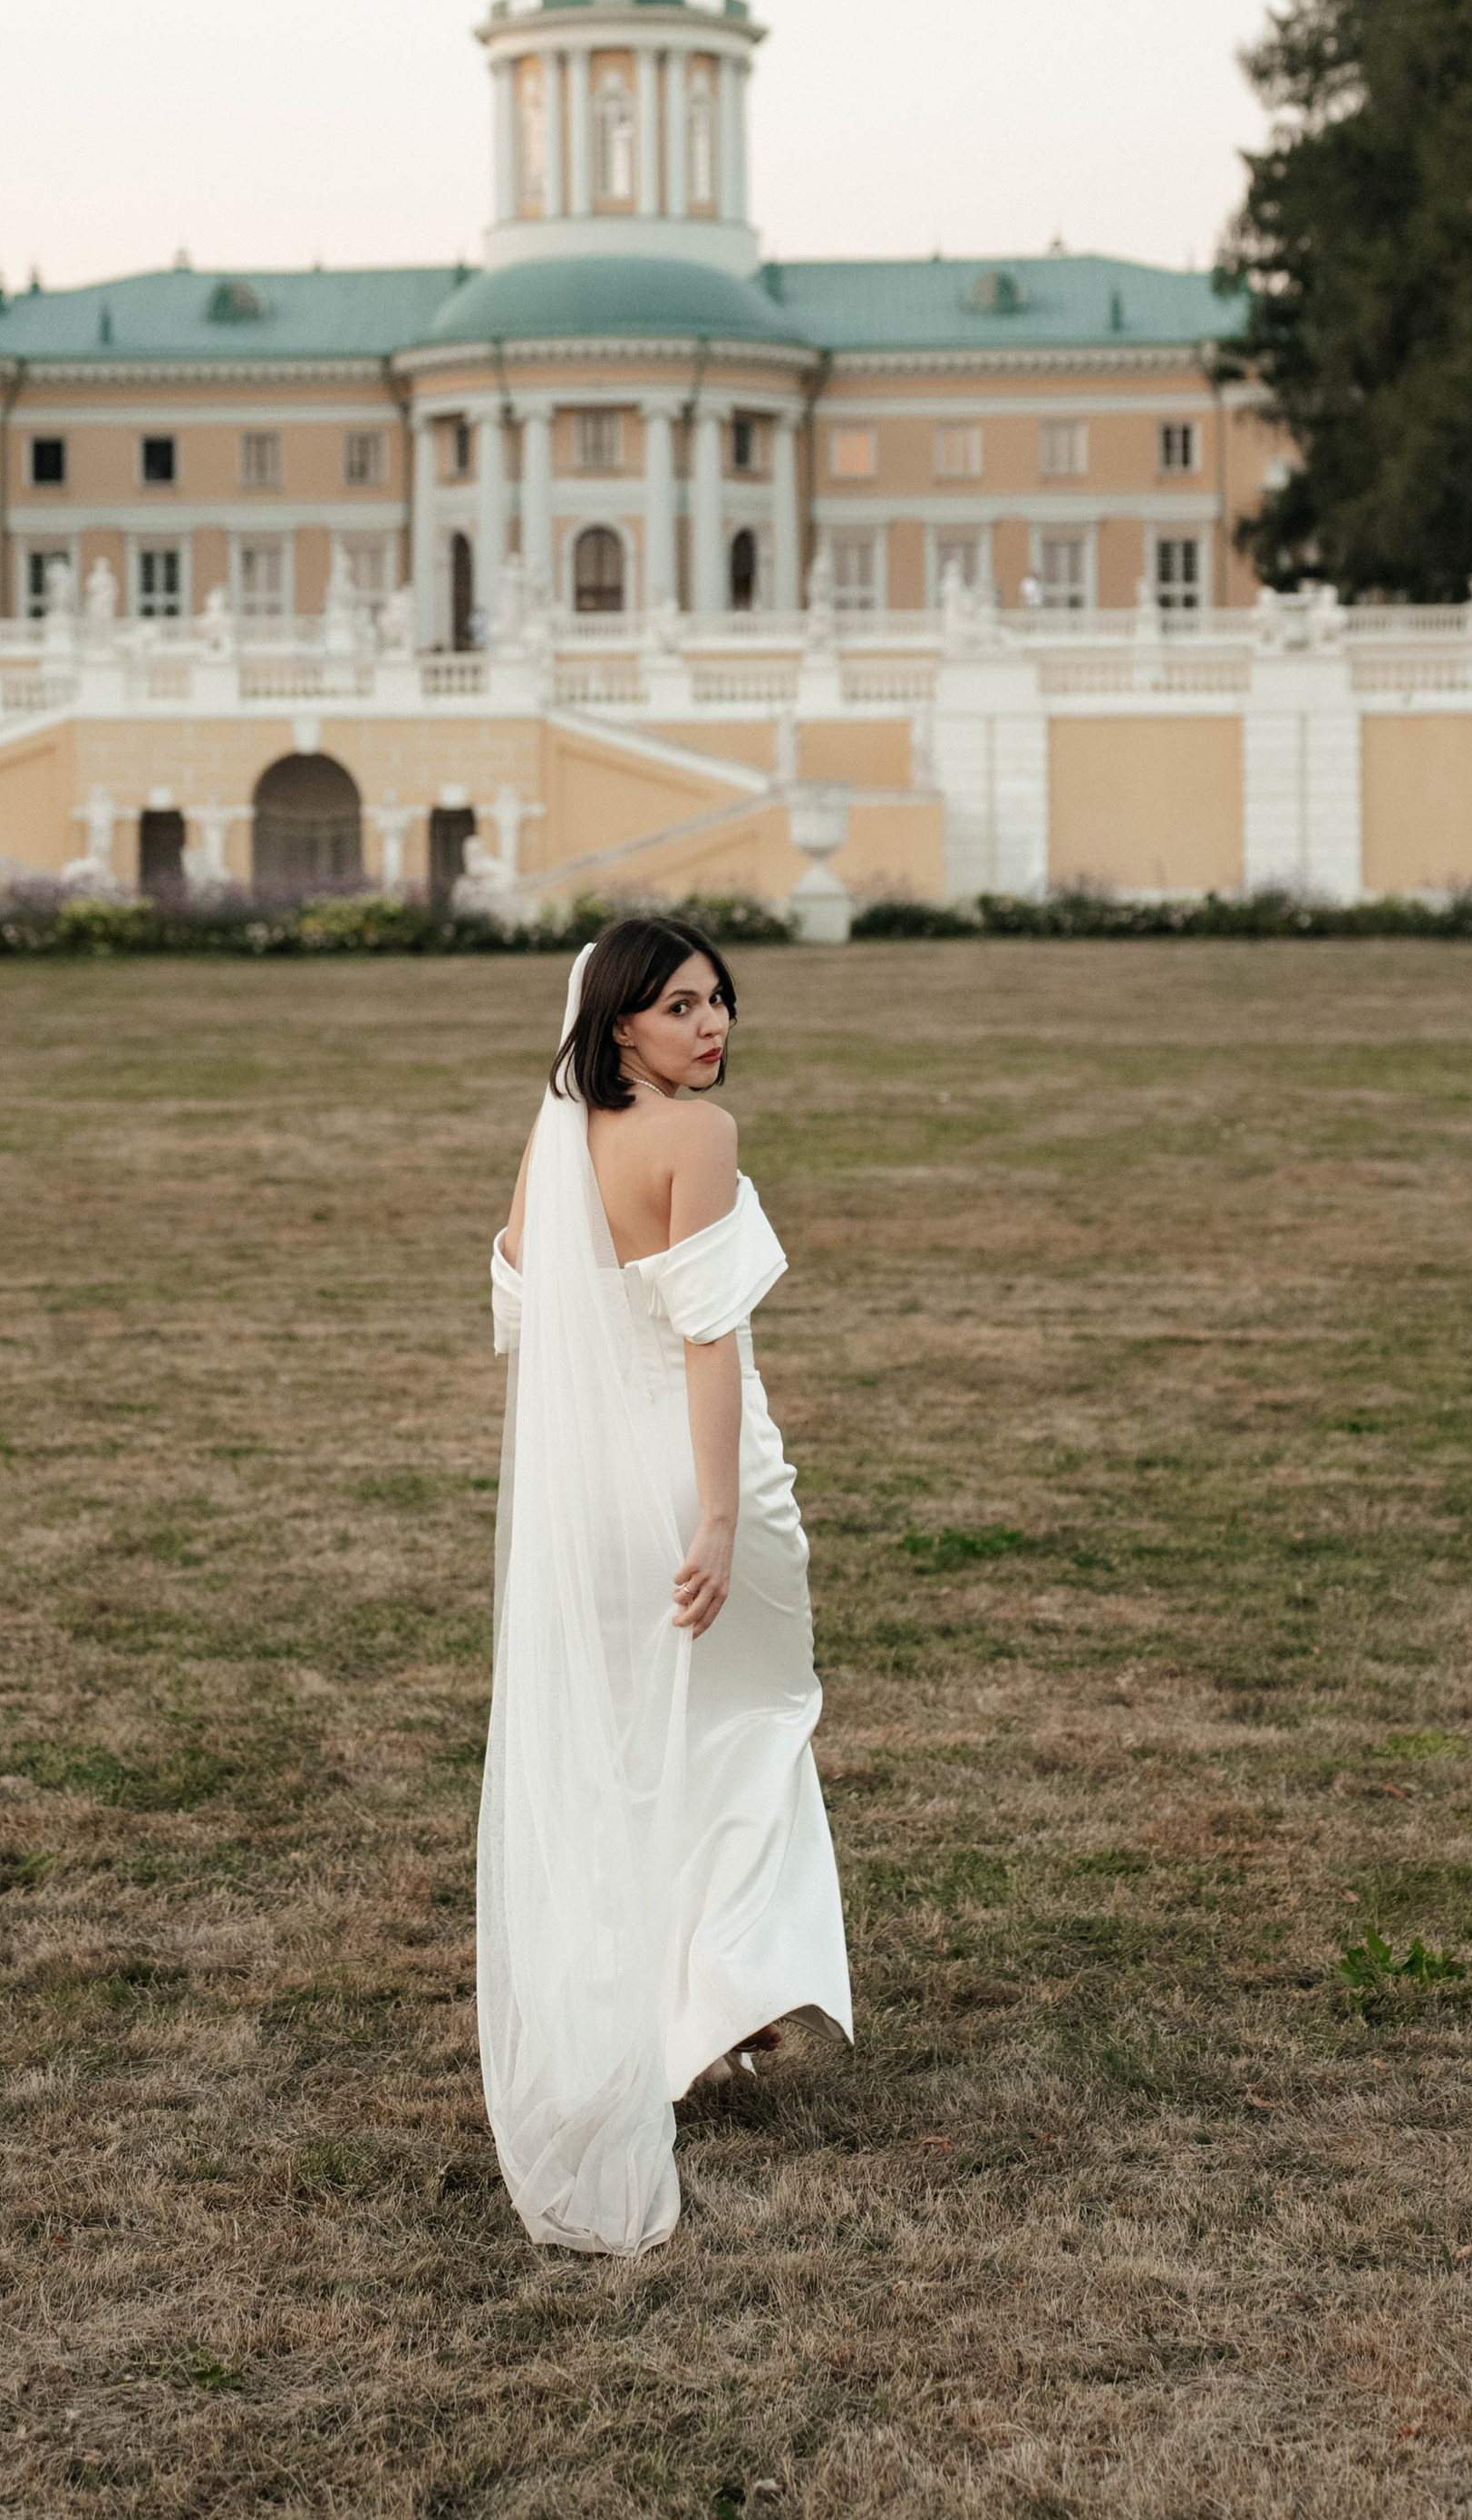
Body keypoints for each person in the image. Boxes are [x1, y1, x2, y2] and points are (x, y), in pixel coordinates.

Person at [477, 914, 852, 2256]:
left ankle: (674, 2014)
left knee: (627, 1755)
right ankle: (723, 2000)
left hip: (587, 1494)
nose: (712, 1027)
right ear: (620, 1023)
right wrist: (715, 1518)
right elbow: (710, 1343)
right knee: (749, 1729)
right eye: (682, 1006)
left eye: (719, 1002)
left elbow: (520, 1309)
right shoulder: (699, 1138)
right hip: (696, 1478)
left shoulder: (556, 1144)